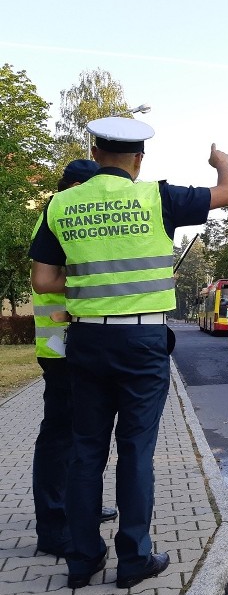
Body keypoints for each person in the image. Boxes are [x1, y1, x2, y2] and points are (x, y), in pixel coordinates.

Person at [29, 116, 228, 589]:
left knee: (86, 451)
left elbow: (43, 281)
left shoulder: (60, 204)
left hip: (85, 341)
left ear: (95, 152)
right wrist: (221, 162)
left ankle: (82, 560)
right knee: (136, 450)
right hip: (142, 343)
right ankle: (134, 559)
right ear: (138, 160)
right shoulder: (156, 197)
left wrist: (87, 287)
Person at [31, 160, 119, 558]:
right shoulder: (58, 214)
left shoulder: (66, 213)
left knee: (82, 435)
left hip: (75, 343)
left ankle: (76, 509)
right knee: (61, 436)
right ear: (79, 185)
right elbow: (47, 278)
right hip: (60, 346)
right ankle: (54, 527)